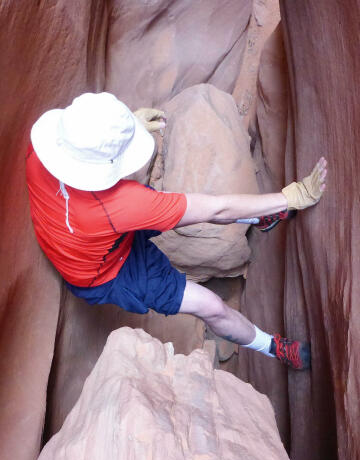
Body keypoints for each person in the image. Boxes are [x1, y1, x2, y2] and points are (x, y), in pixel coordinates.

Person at [26, 92, 327, 370]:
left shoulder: (38, 152)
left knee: (181, 210)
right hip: (107, 273)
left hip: (86, 240)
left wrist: (126, 127)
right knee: (210, 305)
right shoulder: (124, 204)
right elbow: (214, 209)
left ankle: (256, 218)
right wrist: (291, 197)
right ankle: (272, 346)